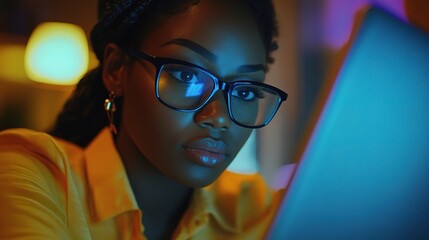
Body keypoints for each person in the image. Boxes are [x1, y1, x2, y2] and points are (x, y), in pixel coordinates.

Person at [0, 0, 288, 239]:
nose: (219, 118)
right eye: (187, 75)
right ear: (116, 69)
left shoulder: (253, 210)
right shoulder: (32, 177)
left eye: (246, 92)